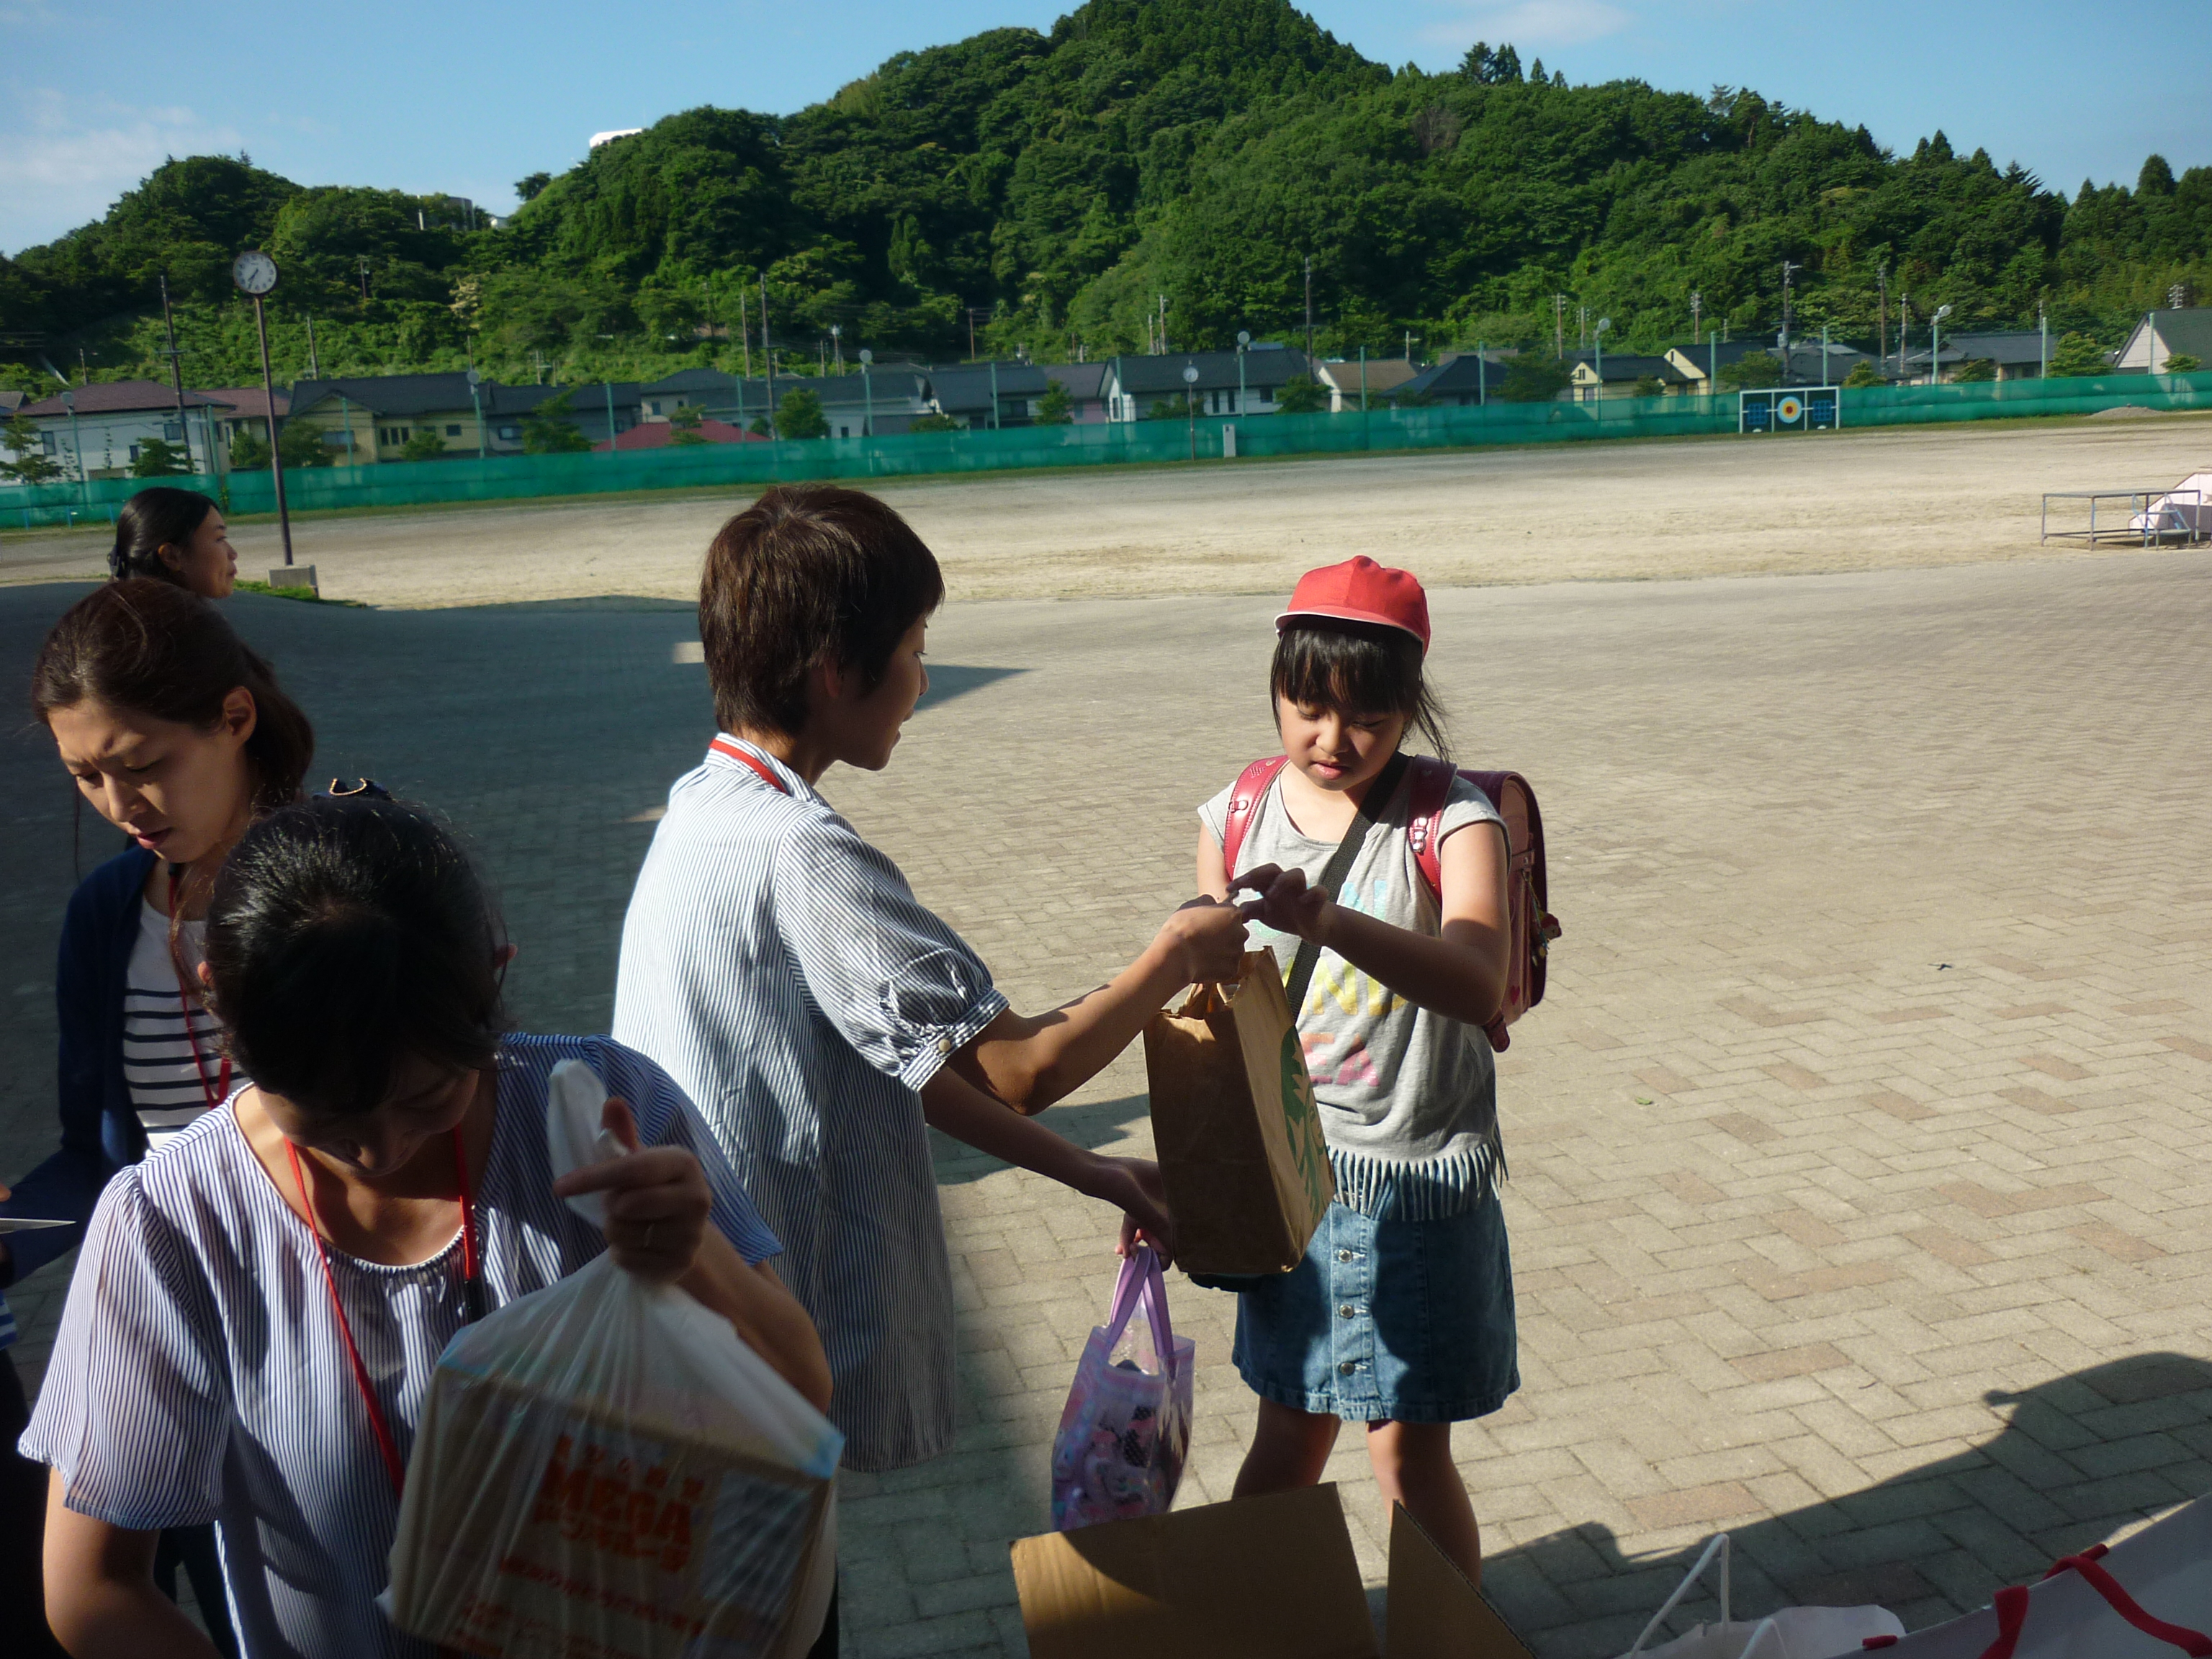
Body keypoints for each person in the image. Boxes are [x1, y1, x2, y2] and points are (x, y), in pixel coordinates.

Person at [23, 796, 829, 1659]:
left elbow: (801, 1395)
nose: (379, 1149)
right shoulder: (174, 1226)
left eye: (427, 1096)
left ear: (494, 980)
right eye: (325, 1111)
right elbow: (94, 1588)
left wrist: (696, 1256)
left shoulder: (605, 1116)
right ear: (218, 1001)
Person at [613, 483, 1248, 1481]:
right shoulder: (804, 853)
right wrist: (1173, 956)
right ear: (836, 672)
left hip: (697, 1306)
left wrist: (1095, 1172)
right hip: (759, 1323)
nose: (922, 677)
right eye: (914, 648)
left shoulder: (703, 806)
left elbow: (911, 1068)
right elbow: (1020, 1071)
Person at [3, 577, 314, 1653]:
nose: (120, 804)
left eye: (140, 764)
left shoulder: (348, 873)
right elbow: (97, 1159)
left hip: (323, 1331)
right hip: (170, 1331)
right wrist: (11, 1236)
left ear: (234, 718)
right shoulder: (106, 913)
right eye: (84, 776)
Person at [1195, 556, 1516, 1583]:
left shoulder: (1451, 818)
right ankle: (1257, 1630)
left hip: (1413, 1189)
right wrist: (1190, 1176)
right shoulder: (1237, 812)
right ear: (1277, 689)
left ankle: (1444, 1640)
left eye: (1367, 718)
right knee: (1287, 1438)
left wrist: (1329, 923)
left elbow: (1476, 979)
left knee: (1406, 1453)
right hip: (1291, 1185)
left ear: (1409, 706)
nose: (1334, 740)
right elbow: (1215, 1019)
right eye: (1309, 709)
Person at [108, 488, 238, 598]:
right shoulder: (185, 620)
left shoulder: (112, 612)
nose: (233, 554)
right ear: (171, 556)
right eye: (220, 538)